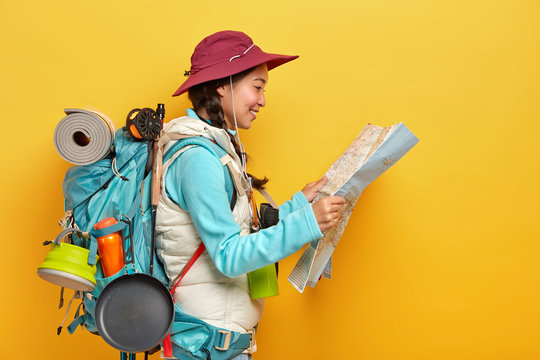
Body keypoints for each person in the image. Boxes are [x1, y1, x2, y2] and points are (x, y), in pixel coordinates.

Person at [155, 30, 346, 360]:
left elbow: (236, 232)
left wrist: (299, 206)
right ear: (222, 85)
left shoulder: (218, 150)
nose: (262, 100)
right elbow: (229, 256)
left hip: (217, 343)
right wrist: (307, 223)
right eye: (257, 87)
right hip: (204, 346)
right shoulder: (197, 159)